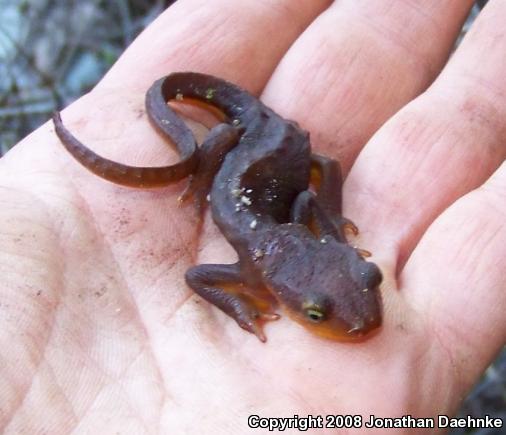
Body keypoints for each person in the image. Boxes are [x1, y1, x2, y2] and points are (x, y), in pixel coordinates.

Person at [1, 1, 504, 433]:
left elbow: (311, 192)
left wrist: (332, 221)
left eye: (366, 280)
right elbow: (200, 275)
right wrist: (203, 195)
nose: (362, 318)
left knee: (284, 164)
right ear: (278, 290)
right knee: (212, 150)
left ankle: (205, 166)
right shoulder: (254, 271)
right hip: (251, 136)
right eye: (316, 312)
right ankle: (194, 169)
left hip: (270, 142)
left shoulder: (289, 244)